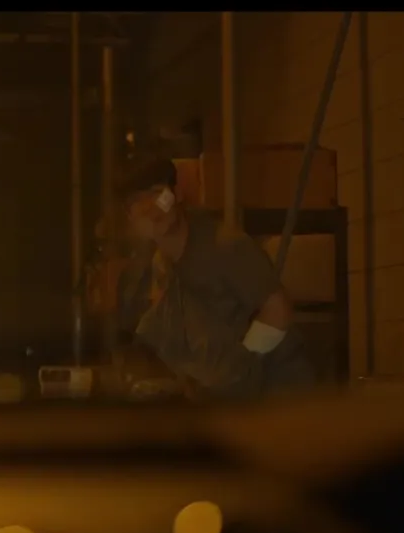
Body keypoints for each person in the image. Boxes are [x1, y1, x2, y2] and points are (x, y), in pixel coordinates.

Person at [119, 159, 315, 401]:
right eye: (137, 202)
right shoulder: (161, 264)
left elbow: (278, 311)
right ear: (130, 217)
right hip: (223, 397)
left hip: (277, 392)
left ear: (177, 194)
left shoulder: (224, 246)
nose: (150, 207)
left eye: (157, 193)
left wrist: (240, 367)